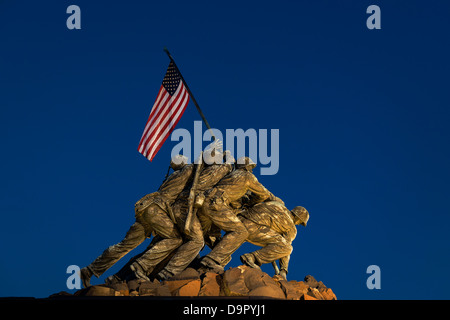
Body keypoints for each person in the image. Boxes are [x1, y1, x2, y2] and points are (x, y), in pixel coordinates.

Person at [79, 155, 193, 287]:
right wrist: (217, 155)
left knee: (125, 245)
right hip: (156, 211)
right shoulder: (186, 171)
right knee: (175, 239)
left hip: (146, 208)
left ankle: (90, 270)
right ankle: (140, 266)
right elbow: (198, 165)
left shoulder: (172, 177)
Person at [197, 156, 279, 272]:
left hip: (203, 202)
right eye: (251, 167)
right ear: (247, 167)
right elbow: (264, 194)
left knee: (203, 237)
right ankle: (210, 261)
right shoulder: (247, 176)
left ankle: (197, 262)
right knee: (241, 232)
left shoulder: (231, 176)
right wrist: (251, 203)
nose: (251, 170)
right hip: (216, 203)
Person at [239, 201, 309, 280]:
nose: (299, 224)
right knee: (287, 248)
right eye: (301, 222)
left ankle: (222, 262)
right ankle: (252, 257)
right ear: (297, 218)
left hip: (240, 219)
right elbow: (284, 247)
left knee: (225, 251)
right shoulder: (291, 227)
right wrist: (283, 271)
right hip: (253, 228)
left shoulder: (278, 205)